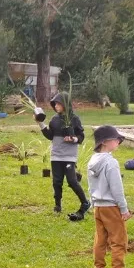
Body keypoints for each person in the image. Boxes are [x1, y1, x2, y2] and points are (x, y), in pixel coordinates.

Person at [88, 125, 134, 268]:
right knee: (118, 240)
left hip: (98, 207)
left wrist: (93, 203)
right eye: (116, 139)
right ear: (105, 142)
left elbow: (91, 186)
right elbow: (117, 188)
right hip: (111, 207)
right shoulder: (111, 163)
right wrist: (123, 209)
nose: (118, 142)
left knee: (100, 240)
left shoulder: (92, 160)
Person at [38, 91, 91, 220]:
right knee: (57, 182)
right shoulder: (54, 120)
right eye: (54, 103)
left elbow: (81, 136)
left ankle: (85, 202)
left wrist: (73, 139)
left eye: (58, 103)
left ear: (65, 104)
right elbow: (50, 136)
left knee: (72, 181)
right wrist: (40, 123)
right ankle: (57, 205)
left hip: (69, 156)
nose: (56, 106)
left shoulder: (74, 119)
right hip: (56, 156)